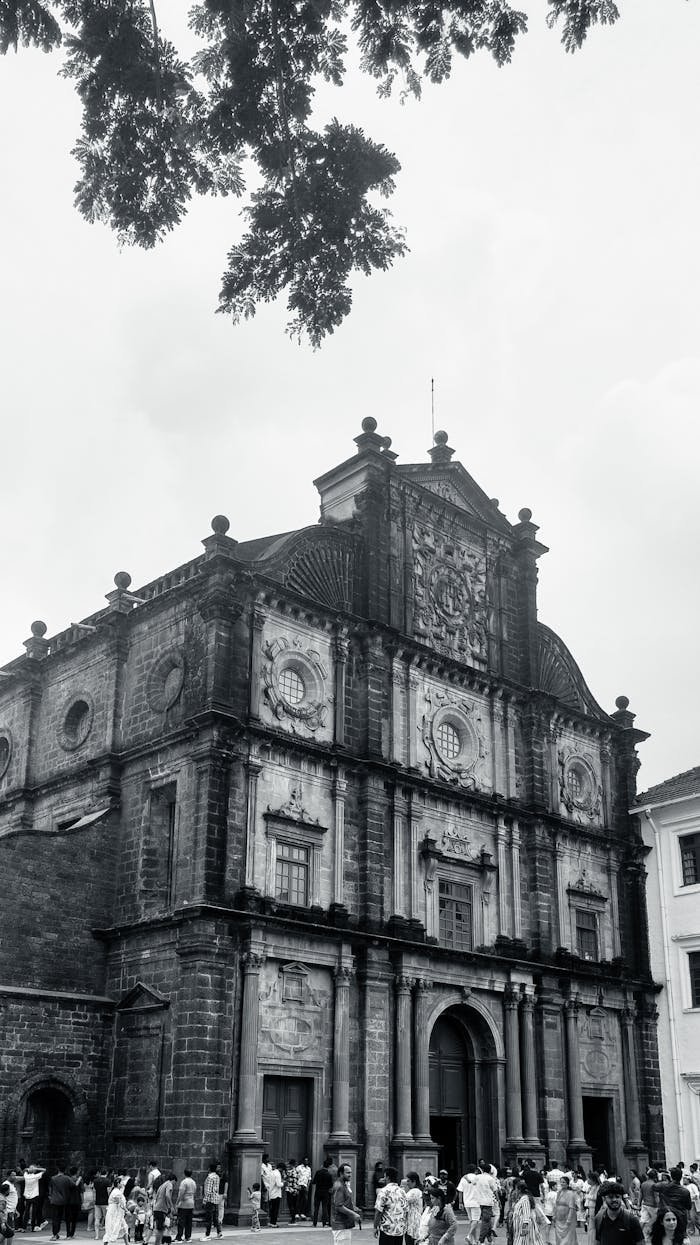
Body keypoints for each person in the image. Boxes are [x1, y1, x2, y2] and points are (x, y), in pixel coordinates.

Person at [374, 1166, 407, 1245]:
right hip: (399, 1229)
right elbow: (406, 1210)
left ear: (388, 1177)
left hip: (387, 1229)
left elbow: (378, 1211)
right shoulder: (402, 1192)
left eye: (385, 1176)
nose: (384, 1178)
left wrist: (375, 1227)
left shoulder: (384, 1191)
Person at [510, 1181, 549, 1245]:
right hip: (520, 1226)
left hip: (524, 1226)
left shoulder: (525, 1199)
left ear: (519, 1190)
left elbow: (526, 1214)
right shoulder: (522, 1198)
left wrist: (524, 1227)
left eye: (516, 1189)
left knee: (524, 1242)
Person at [656, 1170, 691, 1240]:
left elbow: (654, 1186)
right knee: (680, 1238)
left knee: (667, 1237)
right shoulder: (685, 1191)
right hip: (681, 1217)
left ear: (671, 1176)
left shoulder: (663, 1187)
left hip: (667, 1215)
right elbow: (689, 1207)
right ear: (681, 1177)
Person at [332, 1164, 362, 1245]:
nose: (350, 1175)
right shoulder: (339, 1185)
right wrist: (354, 1214)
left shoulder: (343, 1185)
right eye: (348, 1173)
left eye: (350, 1173)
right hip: (340, 1224)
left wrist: (354, 1208)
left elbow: (344, 1202)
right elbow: (339, 1206)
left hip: (344, 1223)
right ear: (341, 1173)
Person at [457, 1168, 482, 1245]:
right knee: (476, 1220)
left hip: (467, 1202)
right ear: (476, 1171)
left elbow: (460, 1191)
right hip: (476, 1202)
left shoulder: (463, 1178)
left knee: (472, 1222)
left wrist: (460, 1202)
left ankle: (474, 1241)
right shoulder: (478, 1178)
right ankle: (469, 1235)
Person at [49, 1166, 73, 1242]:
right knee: (67, 1218)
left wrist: (50, 1196)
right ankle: (68, 1234)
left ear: (58, 1170)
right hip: (65, 1200)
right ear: (65, 1170)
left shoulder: (53, 1178)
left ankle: (55, 1234)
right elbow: (73, 1186)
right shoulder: (67, 1178)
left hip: (55, 1200)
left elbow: (50, 1188)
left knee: (55, 1218)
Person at [104, 1176, 129, 1245]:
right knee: (111, 1228)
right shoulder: (116, 1192)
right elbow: (120, 1203)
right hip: (114, 1212)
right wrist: (127, 1211)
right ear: (118, 1184)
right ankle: (106, 1242)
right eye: (121, 1183)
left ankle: (127, 1243)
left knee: (124, 1227)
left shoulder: (117, 1191)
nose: (123, 1184)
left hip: (118, 1212)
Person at [553, 1178, 578, 1245]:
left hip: (567, 1217)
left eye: (564, 1182)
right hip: (559, 1218)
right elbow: (556, 1205)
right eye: (561, 1182)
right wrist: (554, 1215)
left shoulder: (570, 1193)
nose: (562, 1184)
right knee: (559, 1237)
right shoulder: (559, 1192)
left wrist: (569, 1220)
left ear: (567, 1184)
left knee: (568, 1237)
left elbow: (572, 1208)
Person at [312, 1159, 335, 1229]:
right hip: (325, 1193)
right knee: (324, 1208)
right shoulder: (329, 1174)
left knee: (316, 1208)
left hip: (318, 1192)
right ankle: (324, 1223)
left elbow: (313, 1182)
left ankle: (314, 1223)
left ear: (322, 1165)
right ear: (328, 1166)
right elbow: (331, 1185)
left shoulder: (318, 1172)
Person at [152, 1173, 174, 1245]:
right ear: (173, 1180)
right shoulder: (169, 1184)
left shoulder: (161, 1186)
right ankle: (157, 1243)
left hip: (157, 1209)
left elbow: (157, 1198)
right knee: (160, 1229)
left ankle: (159, 1243)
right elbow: (167, 1195)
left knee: (161, 1227)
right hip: (161, 1209)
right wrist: (171, 1206)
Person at [23, 1166, 45, 1234]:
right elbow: (44, 1170)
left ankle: (24, 1228)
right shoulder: (36, 1176)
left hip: (27, 1196)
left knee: (26, 1212)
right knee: (34, 1212)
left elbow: (24, 1170)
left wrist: (28, 1169)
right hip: (34, 1195)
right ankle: (33, 1227)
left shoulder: (26, 1176)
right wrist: (36, 1169)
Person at [175, 1171, 196, 1243]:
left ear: (184, 1174)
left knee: (181, 1221)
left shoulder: (184, 1182)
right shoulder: (193, 1182)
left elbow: (181, 1193)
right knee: (189, 1221)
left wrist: (177, 1203)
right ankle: (188, 1237)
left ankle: (179, 1237)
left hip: (184, 1203)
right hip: (191, 1203)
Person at [404, 1173, 424, 1245]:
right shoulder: (416, 1191)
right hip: (413, 1220)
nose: (407, 1183)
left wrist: (402, 1190)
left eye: (408, 1181)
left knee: (411, 1241)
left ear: (414, 1181)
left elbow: (404, 1201)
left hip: (413, 1220)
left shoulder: (414, 1191)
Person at [202, 1165, 220, 1240]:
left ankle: (207, 1234)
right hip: (216, 1199)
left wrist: (205, 1200)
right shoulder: (217, 1177)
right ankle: (219, 1232)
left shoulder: (210, 1177)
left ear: (209, 1169)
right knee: (215, 1217)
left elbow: (208, 1190)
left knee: (209, 1217)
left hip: (210, 1200)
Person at [94, 1168, 111, 1242]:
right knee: (106, 1218)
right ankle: (106, 1234)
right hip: (105, 1202)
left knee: (97, 1218)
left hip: (97, 1202)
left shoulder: (95, 1181)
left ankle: (97, 1235)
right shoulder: (108, 1181)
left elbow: (94, 1191)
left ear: (100, 1173)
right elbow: (108, 1191)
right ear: (106, 1173)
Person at [65, 1168, 82, 1239]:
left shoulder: (67, 1179)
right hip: (77, 1200)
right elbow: (81, 1191)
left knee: (68, 1218)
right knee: (75, 1219)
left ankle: (68, 1233)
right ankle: (72, 1233)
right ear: (76, 1172)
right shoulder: (79, 1180)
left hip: (68, 1201)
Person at [215, 1164, 227, 1238]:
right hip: (216, 1193)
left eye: (220, 1167)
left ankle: (220, 1221)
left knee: (221, 1208)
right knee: (216, 1208)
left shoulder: (223, 1174)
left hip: (221, 1193)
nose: (219, 1168)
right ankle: (217, 1222)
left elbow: (226, 1183)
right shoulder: (214, 1175)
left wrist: (225, 1192)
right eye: (218, 1167)